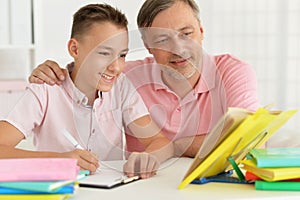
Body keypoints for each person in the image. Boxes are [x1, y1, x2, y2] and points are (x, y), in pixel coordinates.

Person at [28, 0, 260, 158]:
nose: (178, 49)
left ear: (201, 31)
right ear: (148, 46)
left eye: (186, 34)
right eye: (162, 40)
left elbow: (249, 138)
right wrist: (54, 73)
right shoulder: (125, 77)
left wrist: (175, 147)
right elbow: (89, 68)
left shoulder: (232, 71)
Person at [0, 3, 174, 179]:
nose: (116, 67)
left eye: (122, 55)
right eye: (105, 53)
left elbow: (160, 142)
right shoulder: (45, 90)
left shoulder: (120, 87)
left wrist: (150, 157)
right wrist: (59, 160)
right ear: (75, 49)